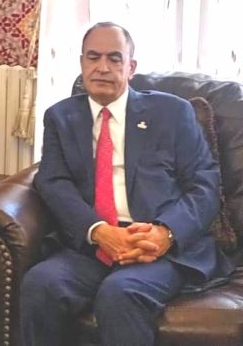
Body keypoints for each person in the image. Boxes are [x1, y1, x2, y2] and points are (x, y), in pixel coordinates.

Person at [20, 22, 234, 346]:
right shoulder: (60, 117)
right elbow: (53, 182)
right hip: (93, 246)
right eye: (93, 57)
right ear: (81, 63)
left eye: (114, 58)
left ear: (131, 68)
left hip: (156, 247)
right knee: (41, 284)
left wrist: (166, 233)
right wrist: (98, 231)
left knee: (120, 293)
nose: (103, 67)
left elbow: (204, 184)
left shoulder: (172, 112)